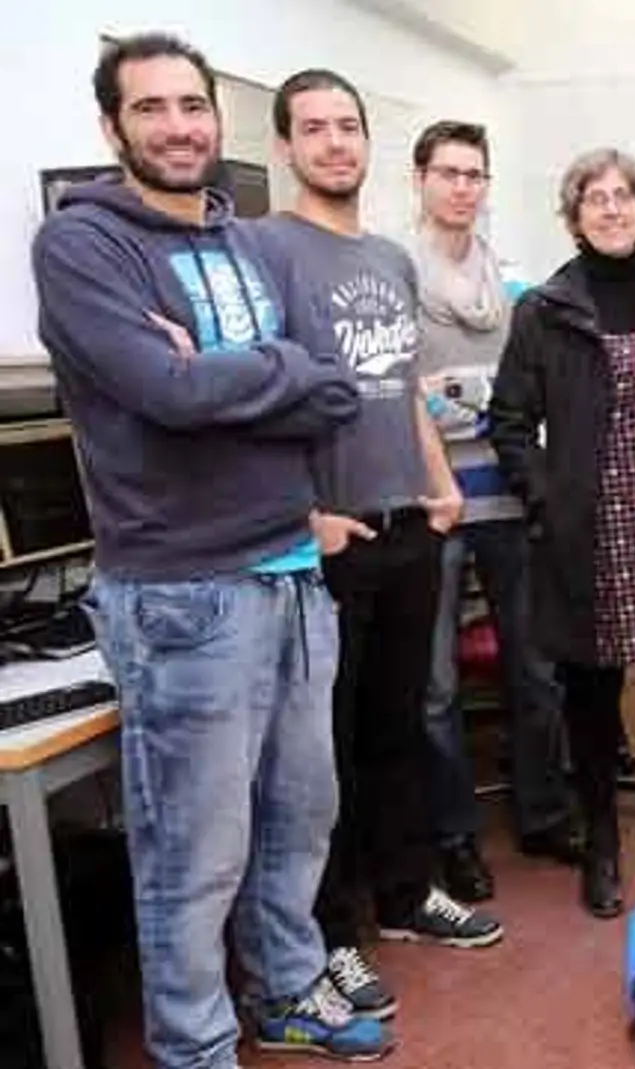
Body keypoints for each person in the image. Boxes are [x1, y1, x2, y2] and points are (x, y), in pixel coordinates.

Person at [30, 33, 387, 1064]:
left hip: (289, 573)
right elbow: (162, 392)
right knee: (196, 847)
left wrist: (239, 371)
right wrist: (256, 377)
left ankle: (283, 988)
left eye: (193, 105)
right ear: (112, 127)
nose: (180, 126)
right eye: (152, 109)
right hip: (185, 592)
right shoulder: (84, 246)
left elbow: (331, 388)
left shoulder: (248, 244)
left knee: (299, 817)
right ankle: (196, 1044)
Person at [251, 67, 503, 1022]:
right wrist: (300, 513)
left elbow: (399, 389)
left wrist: (439, 485)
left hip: (409, 526)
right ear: (284, 146)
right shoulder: (264, 248)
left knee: (397, 732)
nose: (333, 143)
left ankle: (403, 894)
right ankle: (331, 937)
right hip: (326, 539)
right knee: (323, 757)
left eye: (347, 126)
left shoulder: (391, 259)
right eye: (312, 129)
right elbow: (256, 397)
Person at [489, 147, 635, 917]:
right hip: (586, 526)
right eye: (595, 198)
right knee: (590, 699)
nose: (613, 208)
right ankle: (602, 845)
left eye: (625, 195)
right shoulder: (548, 308)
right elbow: (511, 418)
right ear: (573, 216)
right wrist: (544, 498)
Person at [408, 119, 580, 905]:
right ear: (421, 179)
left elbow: (522, 395)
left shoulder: (510, 289)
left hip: (507, 494)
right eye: (448, 172)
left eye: (475, 174)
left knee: (535, 668)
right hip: (435, 504)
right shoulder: (396, 276)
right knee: (435, 688)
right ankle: (453, 838)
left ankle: (545, 812)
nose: (462, 187)